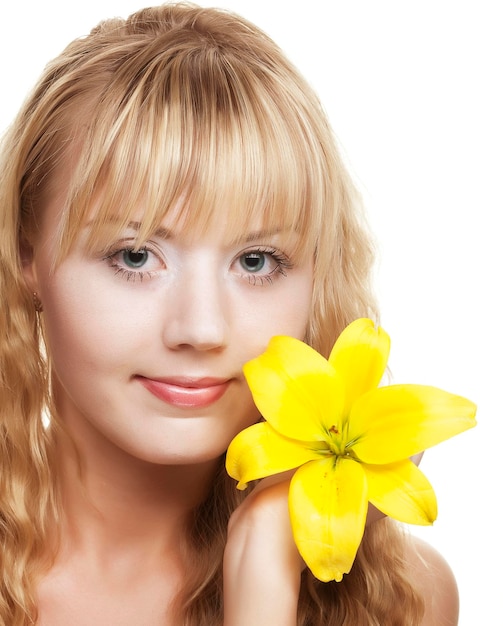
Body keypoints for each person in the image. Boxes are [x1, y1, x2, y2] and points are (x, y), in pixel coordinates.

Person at [0, 3, 459, 624]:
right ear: (26, 253)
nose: (201, 328)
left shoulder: (405, 598)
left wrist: (266, 565)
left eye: (255, 261)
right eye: (135, 255)